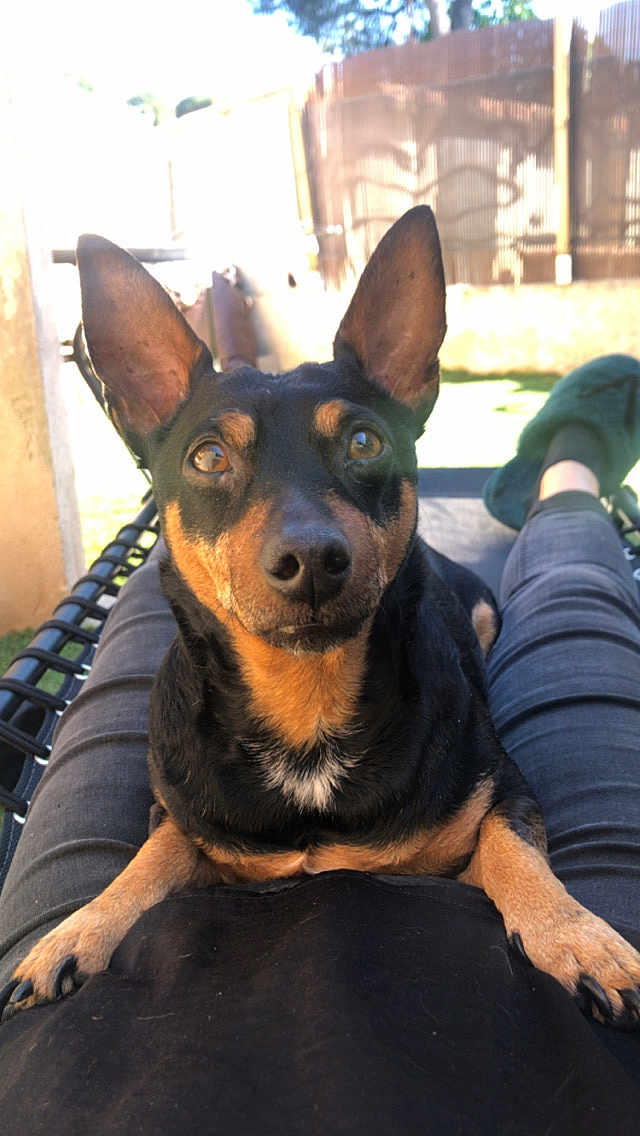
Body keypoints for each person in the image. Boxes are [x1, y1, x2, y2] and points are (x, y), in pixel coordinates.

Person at [0, 355, 639, 1135]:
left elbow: (493, 803)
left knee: (145, 615)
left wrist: (543, 907)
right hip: (572, 1053)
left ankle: (555, 484)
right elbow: (499, 802)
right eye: (215, 454)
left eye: (362, 444)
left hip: (63, 1065)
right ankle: (566, 483)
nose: (308, 542)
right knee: (575, 607)